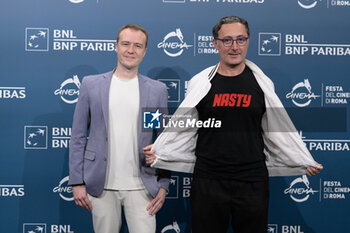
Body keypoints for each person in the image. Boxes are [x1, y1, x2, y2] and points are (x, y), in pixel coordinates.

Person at [143, 16, 322, 233]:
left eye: (240, 39)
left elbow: (277, 131)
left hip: (252, 181)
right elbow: (185, 128)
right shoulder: (200, 83)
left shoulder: (262, 84)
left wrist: (301, 159)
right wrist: (161, 150)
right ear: (215, 43)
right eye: (227, 40)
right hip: (208, 179)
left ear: (248, 41)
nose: (234, 46)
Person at [69, 24, 170, 233]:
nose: (130, 50)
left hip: (143, 187)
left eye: (137, 46)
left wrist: (164, 185)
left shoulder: (156, 90)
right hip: (101, 186)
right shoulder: (91, 85)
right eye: (125, 44)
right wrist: (77, 182)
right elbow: (78, 136)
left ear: (144, 51)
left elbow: (163, 141)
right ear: (116, 46)